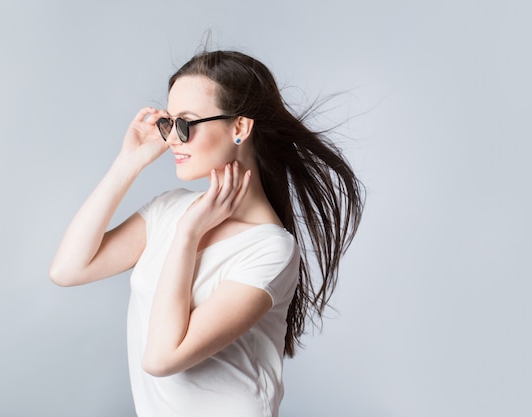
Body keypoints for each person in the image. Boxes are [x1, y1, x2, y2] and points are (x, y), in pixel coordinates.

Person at [49, 50, 364, 417]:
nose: (173, 139)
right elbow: (68, 270)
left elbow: (162, 358)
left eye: (187, 123)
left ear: (239, 128)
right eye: (169, 123)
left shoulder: (270, 249)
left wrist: (188, 236)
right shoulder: (170, 209)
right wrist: (128, 161)